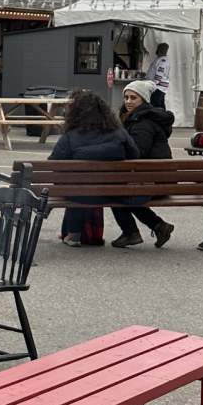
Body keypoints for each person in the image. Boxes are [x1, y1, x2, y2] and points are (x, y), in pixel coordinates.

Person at [49, 91, 137, 247]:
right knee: (80, 185)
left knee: (75, 185)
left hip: (79, 194)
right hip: (115, 192)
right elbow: (135, 155)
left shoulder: (71, 136)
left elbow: (53, 163)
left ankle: (74, 234)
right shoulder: (118, 132)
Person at [113, 80, 175, 249]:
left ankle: (131, 232)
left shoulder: (143, 123)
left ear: (144, 100)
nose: (128, 101)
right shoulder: (139, 118)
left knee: (113, 193)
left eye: (134, 97)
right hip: (156, 179)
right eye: (126, 97)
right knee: (117, 191)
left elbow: (137, 152)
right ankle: (157, 226)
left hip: (154, 181)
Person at [146, 42, 170, 109]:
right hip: (160, 87)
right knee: (160, 105)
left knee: (155, 105)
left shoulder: (163, 60)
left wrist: (153, 84)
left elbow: (159, 73)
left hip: (158, 87)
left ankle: (158, 118)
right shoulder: (162, 59)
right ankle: (163, 117)